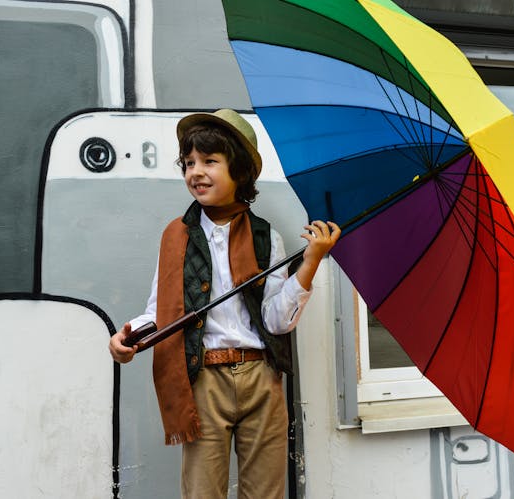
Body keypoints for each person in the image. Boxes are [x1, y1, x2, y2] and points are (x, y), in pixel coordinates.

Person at [108, 109, 340, 498]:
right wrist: (128, 337)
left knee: (265, 492)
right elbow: (160, 311)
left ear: (240, 170)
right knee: (203, 492)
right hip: (203, 381)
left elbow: (276, 321)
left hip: (261, 378)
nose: (196, 172)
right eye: (189, 163)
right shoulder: (175, 236)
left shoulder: (266, 238)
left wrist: (312, 261)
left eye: (210, 161)